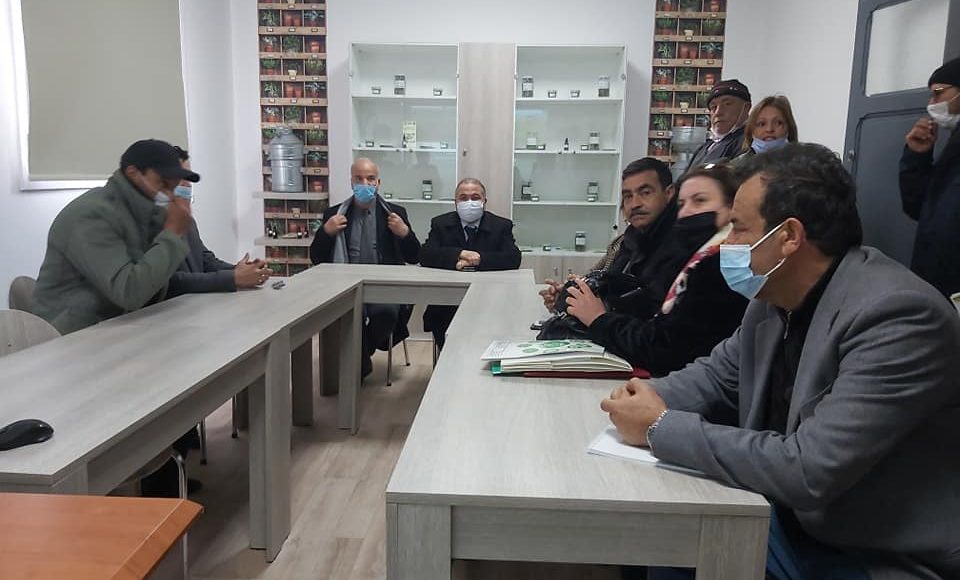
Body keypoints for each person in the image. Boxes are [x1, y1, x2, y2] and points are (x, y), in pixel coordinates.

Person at [602, 144, 960, 579]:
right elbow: (716, 376)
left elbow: (809, 469)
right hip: (788, 520)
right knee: (659, 533)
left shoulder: (898, 315)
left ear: (789, 236)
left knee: (673, 540)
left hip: (869, 553)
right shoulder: (773, 300)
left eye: (738, 228)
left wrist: (658, 426)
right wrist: (637, 397)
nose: (726, 243)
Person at [564, 164, 747, 376]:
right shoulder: (683, 253)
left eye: (700, 201)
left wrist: (599, 319)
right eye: (682, 204)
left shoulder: (722, 267)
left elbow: (666, 349)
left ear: (733, 208)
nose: (686, 211)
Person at [33, 139, 197, 334]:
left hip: (118, 325)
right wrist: (173, 233)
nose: (169, 195)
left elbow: (157, 282)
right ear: (133, 173)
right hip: (71, 335)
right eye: (162, 184)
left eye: (173, 187)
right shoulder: (91, 215)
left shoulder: (146, 213)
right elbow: (129, 292)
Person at [309, 157, 420, 378]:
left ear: (378, 182)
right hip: (344, 287)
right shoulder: (335, 214)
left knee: (386, 313)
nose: (365, 184)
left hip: (385, 287)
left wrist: (404, 233)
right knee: (346, 318)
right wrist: (326, 232)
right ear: (351, 182)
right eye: (358, 179)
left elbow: (414, 255)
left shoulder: (394, 213)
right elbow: (316, 258)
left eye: (370, 178)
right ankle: (357, 367)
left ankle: (359, 358)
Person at [539, 158, 677, 318]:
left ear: (669, 193)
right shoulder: (625, 242)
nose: (635, 204)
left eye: (645, 193)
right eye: (628, 196)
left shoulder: (676, 249)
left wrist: (598, 317)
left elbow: (649, 321)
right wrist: (568, 297)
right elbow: (598, 281)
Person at [419, 178, 521, 349]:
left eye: (475, 197)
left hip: (490, 300)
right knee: (448, 339)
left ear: (484, 201)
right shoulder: (440, 224)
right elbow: (425, 254)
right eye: (463, 198)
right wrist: (459, 254)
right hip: (447, 302)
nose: (469, 202)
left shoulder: (501, 225)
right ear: (455, 202)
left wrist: (479, 259)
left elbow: (513, 258)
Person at [166, 147, 272, 297]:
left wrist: (239, 270)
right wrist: (233, 278)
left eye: (188, 179)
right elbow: (171, 282)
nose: (187, 185)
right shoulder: (149, 225)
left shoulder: (187, 220)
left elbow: (206, 261)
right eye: (181, 178)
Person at [899, 56, 960, 298]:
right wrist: (917, 156)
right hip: (936, 284)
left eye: (938, 93)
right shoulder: (953, 147)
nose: (932, 103)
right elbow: (918, 207)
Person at [686, 79, 752, 169]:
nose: (718, 112)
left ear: (746, 108)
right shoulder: (705, 147)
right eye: (713, 107)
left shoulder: (748, 143)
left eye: (727, 104)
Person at [731, 95, 799, 163]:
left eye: (778, 123)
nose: (769, 129)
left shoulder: (802, 164)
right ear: (751, 130)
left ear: (789, 128)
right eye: (762, 124)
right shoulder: (735, 167)